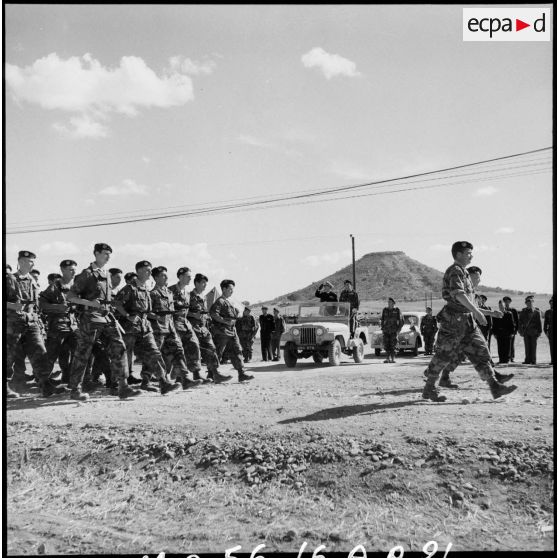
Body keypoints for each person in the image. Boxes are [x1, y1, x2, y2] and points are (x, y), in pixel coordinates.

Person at [422, 241, 517, 402]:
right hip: (453, 322)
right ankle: (429, 388)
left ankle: (494, 386)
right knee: (443, 355)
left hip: (467, 322)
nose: (471, 256)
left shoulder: (464, 273)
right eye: (468, 253)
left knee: (480, 352)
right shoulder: (455, 271)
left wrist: (487, 313)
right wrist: (478, 312)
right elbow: (459, 295)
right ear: (458, 254)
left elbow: (469, 302)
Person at [66, 243, 140, 401]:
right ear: (96, 253)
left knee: (119, 347)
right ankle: (75, 389)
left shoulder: (106, 274)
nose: (108, 257)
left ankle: (123, 386)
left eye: (109, 254)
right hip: (90, 318)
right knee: (83, 353)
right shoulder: (86, 274)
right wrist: (91, 303)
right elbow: (70, 296)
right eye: (105, 253)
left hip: (106, 317)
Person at [113, 261, 181, 394]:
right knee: (125, 356)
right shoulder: (129, 288)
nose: (149, 272)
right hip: (130, 329)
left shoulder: (146, 288)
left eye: (150, 270)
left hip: (145, 327)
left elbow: (147, 310)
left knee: (154, 353)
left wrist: (153, 317)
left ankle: (163, 383)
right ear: (138, 271)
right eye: (146, 270)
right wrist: (127, 315)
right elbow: (117, 303)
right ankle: (118, 385)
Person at [6, 250, 61, 398]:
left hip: (30, 321)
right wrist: (12, 306)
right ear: (22, 261)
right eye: (30, 261)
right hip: (12, 323)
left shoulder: (32, 280)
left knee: (39, 351)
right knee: (8, 355)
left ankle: (45, 385)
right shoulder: (9, 278)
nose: (33, 264)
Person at [142, 266, 200, 389]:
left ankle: (185, 379)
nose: (166, 277)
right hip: (157, 329)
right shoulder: (152, 294)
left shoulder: (169, 293)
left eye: (166, 275)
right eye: (163, 275)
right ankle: (146, 381)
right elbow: (145, 311)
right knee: (154, 355)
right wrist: (157, 317)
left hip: (170, 327)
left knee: (178, 351)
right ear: (156, 277)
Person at [39, 259, 79, 385]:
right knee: (51, 355)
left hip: (74, 326)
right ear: (62, 270)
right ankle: (43, 383)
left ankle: (72, 380)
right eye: (70, 269)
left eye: (74, 269)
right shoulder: (54, 286)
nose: (73, 272)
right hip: (57, 327)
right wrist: (57, 307)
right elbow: (41, 304)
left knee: (79, 353)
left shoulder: (77, 286)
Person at [188, 273, 232, 383]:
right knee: (195, 351)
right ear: (196, 283)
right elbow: (183, 312)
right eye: (203, 283)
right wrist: (193, 315)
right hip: (193, 328)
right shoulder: (189, 296)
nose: (205, 285)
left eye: (206, 283)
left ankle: (215, 374)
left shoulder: (204, 297)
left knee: (211, 349)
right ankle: (196, 374)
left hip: (204, 328)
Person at [169, 267, 209, 384]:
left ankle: (196, 374)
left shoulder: (187, 292)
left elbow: (187, 310)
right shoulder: (170, 290)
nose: (190, 278)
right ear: (180, 277)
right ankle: (179, 377)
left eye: (190, 277)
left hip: (186, 324)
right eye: (188, 276)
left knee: (194, 346)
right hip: (174, 323)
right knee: (178, 351)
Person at [210, 279, 254, 383]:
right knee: (218, 352)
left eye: (232, 289)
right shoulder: (220, 301)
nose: (232, 291)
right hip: (222, 332)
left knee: (237, 351)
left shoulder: (229, 301)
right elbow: (213, 314)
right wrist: (225, 321)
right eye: (230, 289)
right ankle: (213, 374)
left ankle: (241, 373)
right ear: (224, 289)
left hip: (232, 332)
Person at [518, 296, 543, 365]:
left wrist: (540, 331)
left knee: (533, 346)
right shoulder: (523, 312)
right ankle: (527, 360)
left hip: (534, 332)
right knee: (527, 346)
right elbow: (520, 322)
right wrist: (520, 331)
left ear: (533, 303)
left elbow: (539, 323)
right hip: (526, 332)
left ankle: (533, 360)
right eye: (528, 303)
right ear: (526, 303)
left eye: (531, 303)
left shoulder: (537, 312)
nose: (529, 304)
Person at [491, 299, 516, 365]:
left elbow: (512, 324)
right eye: (500, 306)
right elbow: (494, 325)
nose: (501, 307)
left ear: (504, 306)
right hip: (499, 333)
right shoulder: (496, 314)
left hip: (507, 333)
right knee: (500, 347)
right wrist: (494, 333)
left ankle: (506, 360)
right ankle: (501, 360)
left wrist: (512, 333)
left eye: (502, 305)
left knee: (507, 347)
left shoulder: (509, 314)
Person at [380, 297, 404, 363]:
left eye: (390, 302)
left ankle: (393, 358)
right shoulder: (385, 310)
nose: (388, 303)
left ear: (393, 303)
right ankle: (387, 358)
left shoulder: (397, 310)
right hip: (386, 330)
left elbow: (401, 321)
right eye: (388, 302)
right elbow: (382, 320)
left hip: (394, 331)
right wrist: (382, 328)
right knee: (386, 344)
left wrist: (398, 330)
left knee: (393, 345)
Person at [502, 297, 519, 362]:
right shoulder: (502, 309)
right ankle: (505, 357)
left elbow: (517, 321)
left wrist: (515, 330)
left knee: (511, 344)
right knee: (504, 344)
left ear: (510, 302)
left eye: (508, 301)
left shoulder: (513, 310)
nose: (506, 303)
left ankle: (511, 357)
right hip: (504, 330)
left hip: (511, 329)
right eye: (505, 301)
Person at [544, 297, 555, 365]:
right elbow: (546, 323)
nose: (552, 304)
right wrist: (546, 331)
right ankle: (553, 360)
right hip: (551, 331)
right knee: (552, 346)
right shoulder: (548, 312)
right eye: (551, 303)